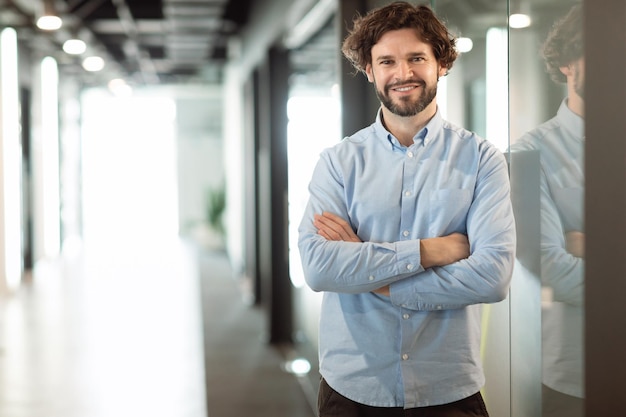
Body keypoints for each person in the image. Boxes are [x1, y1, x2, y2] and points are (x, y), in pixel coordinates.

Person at [297, 2, 516, 416]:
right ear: (369, 70)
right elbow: (320, 267)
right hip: (353, 388)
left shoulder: (482, 159)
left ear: (441, 63)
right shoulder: (338, 162)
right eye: (387, 61)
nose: (403, 74)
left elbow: (492, 278)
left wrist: (373, 278)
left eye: (417, 58)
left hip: (448, 388)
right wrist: (431, 251)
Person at [511, 4, 584, 416]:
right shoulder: (531, 153)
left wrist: (590, 243)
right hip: (576, 376)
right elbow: (551, 267)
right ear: (566, 64)